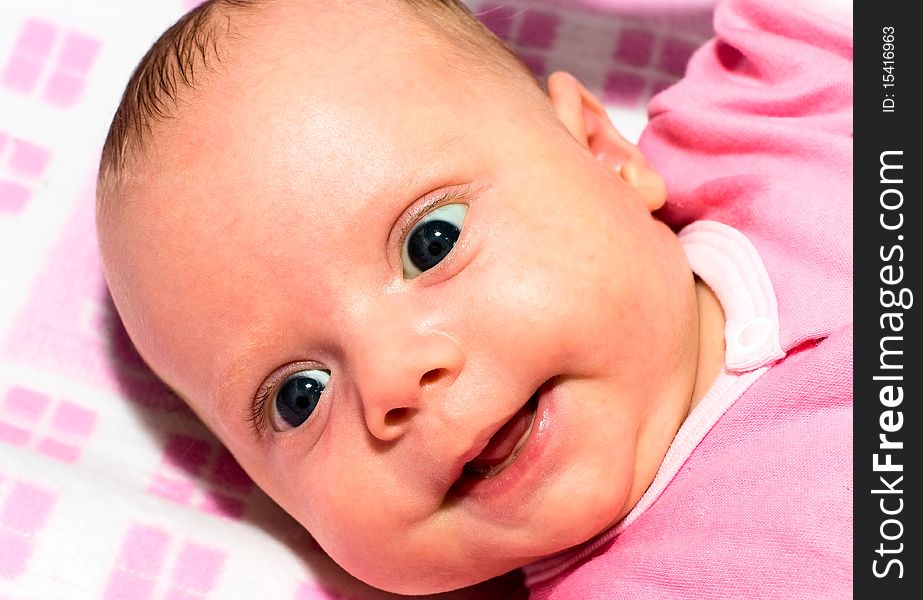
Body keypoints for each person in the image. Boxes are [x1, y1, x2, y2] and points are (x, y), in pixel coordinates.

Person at [96, 0, 852, 597]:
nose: (391, 377)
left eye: (431, 242)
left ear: (603, 156)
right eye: (299, 395)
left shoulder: (771, 122)